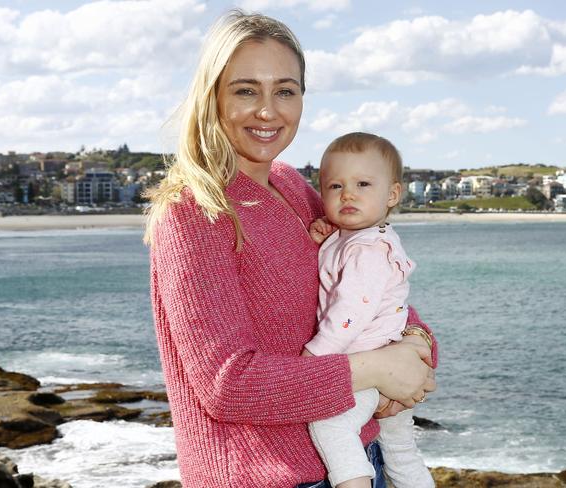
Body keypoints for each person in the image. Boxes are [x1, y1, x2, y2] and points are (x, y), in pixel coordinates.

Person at [144, 10, 437, 488]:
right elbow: (228, 386)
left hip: (362, 461)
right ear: (212, 95)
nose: (268, 110)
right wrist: (377, 368)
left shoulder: (292, 186)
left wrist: (419, 346)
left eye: (285, 90)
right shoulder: (192, 213)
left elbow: (377, 285)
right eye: (245, 90)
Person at [302, 133, 436, 488]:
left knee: (331, 426)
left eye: (363, 184)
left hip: (364, 360)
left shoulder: (366, 251)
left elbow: (350, 313)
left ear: (392, 194)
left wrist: (314, 356)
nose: (348, 194)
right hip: (386, 355)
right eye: (334, 186)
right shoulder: (366, 237)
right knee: (401, 449)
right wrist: (328, 237)